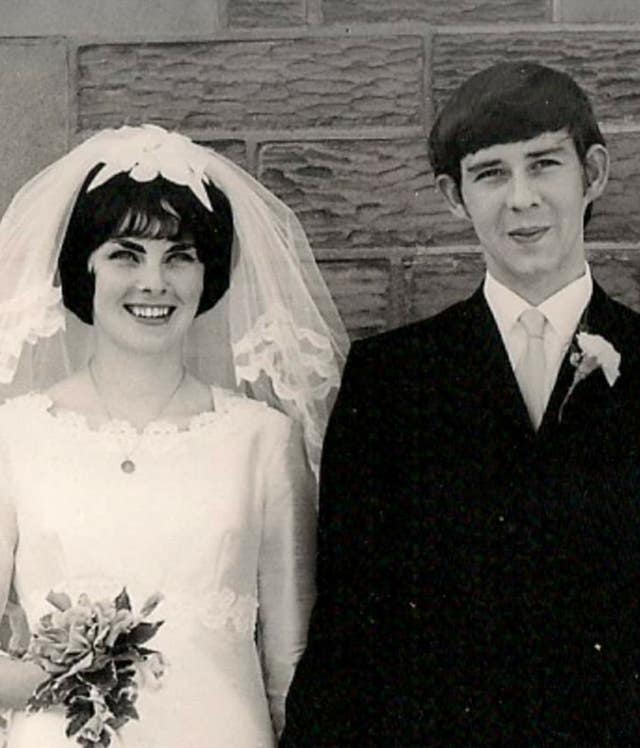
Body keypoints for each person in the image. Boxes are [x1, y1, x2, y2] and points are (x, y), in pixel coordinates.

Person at [281, 61, 640, 745]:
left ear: (592, 173)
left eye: (543, 165)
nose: (522, 198)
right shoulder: (391, 381)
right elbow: (351, 627)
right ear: (454, 196)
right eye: (491, 173)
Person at [0, 124, 348, 747]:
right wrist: (69, 672)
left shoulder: (262, 441)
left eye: (179, 256)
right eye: (125, 255)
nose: (153, 282)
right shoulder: (14, 435)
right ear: (85, 268)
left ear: (206, 274)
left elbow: (290, 665)